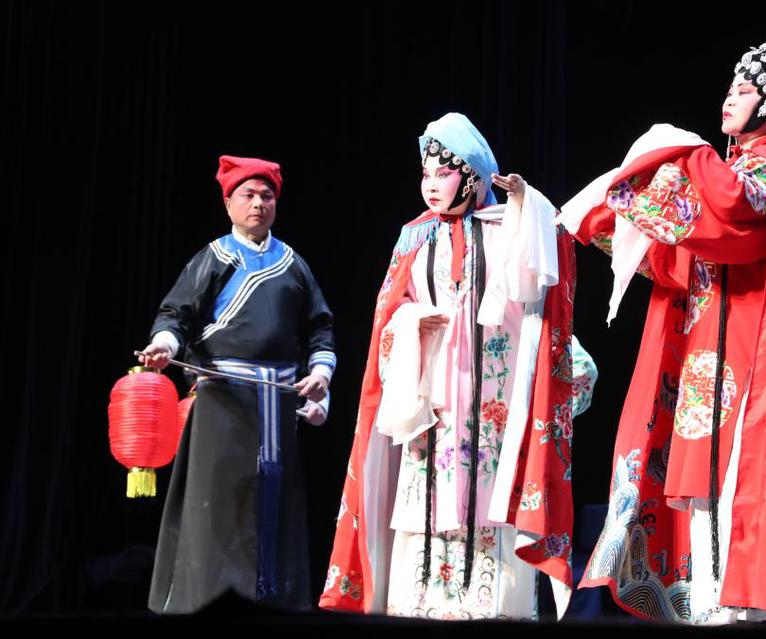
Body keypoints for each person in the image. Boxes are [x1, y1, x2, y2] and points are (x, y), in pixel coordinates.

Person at [560, 30, 766, 627]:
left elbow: (732, 209)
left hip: (750, 356)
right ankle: (709, 607)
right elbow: (684, 253)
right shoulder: (741, 168)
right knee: (700, 491)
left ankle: (737, 608)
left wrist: (683, 151)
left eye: (743, 90)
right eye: (729, 88)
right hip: (707, 355)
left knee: (733, 484)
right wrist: (610, 221)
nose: (728, 98)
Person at [321, 113, 590, 620]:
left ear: (471, 176)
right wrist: (411, 322)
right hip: (434, 399)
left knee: (491, 494)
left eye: (442, 174)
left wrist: (525, 202)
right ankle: (418, 604)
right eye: (425, 174)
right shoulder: (414, 237)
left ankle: (493, 607)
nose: (430, 185)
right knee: (426, 494)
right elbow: (389, 314)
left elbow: (547, 270)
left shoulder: (509, 226)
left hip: (493, 396)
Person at [137, 155, 336, 613]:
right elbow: (176, 315)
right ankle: (206, 604)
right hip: (222, 401)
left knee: (274, 503)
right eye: (248, 195)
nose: (258, 203)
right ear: (228, 203)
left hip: (277, 404)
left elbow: (320, 329)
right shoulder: (214, 258)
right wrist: (164, 345)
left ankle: (276, 603)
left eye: (267, 196)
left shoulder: (293, 264)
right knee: (218, 506)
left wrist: (321, 376)